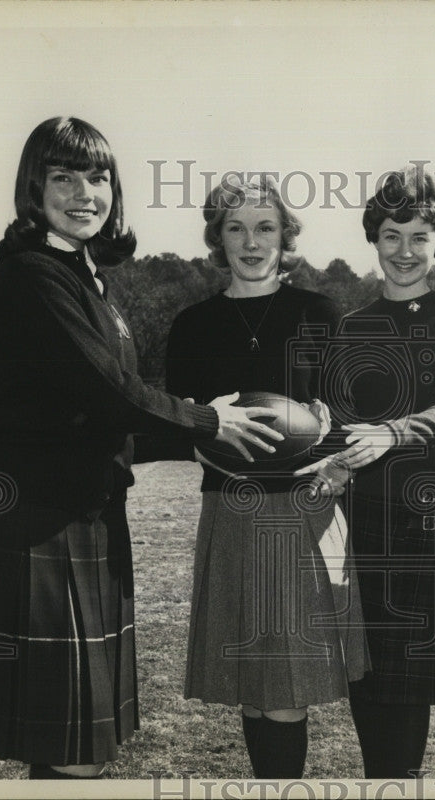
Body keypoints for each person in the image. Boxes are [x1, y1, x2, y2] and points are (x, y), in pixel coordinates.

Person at [0, 117, 280, 780]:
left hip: (87, 509)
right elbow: (111, 390)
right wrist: (205, 422)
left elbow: (104, 414)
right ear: (32, 188)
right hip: (39, 515)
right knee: (73, 753)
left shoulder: (90, 279)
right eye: (62, 177)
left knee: (80, 748)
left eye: (97, 176)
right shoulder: (34, 275)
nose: (84, 193)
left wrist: (199, 444)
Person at [167, 174, 369, 779]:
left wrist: (334, 445)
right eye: (236, 228)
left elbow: (350, 420)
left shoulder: (319, 312)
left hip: (301, 509)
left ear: (285, 236)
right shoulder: (194, 324)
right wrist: (204, 434)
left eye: (265, 227)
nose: (251, 242)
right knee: (253, 692)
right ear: (217, 238)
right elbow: (176, 420)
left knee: (284, 692)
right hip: (229, 508)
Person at [299, 165, 435, 778]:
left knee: (406, 692)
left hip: (419, 524)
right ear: (374, 239)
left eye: (419, 238)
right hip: (353, 527)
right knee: (364, 675)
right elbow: (336, 428)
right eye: (392, 236)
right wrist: (325, 466)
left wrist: (391, 432)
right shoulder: (350, 328)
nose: (404, 252)